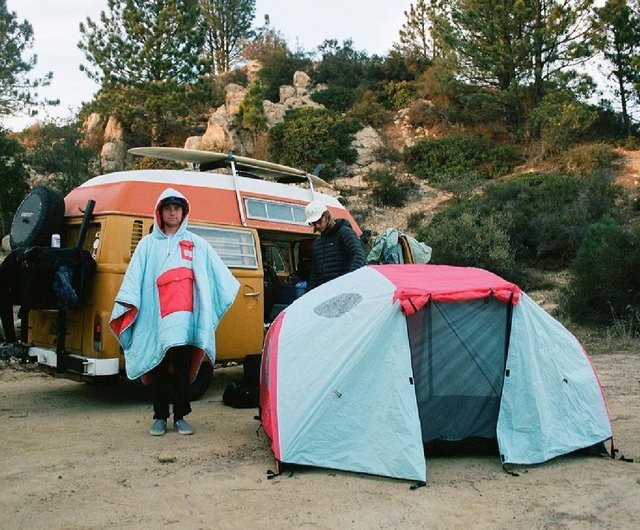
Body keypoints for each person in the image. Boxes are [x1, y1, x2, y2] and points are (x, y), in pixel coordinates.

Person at [109, 188, 239, 436]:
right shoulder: (147, 246)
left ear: (183, 212)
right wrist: (127, 305)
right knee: (157, 366)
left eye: (176, 208)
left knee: (182, 369)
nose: (172, 213)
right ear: (160, 212)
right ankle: (159, 416)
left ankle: (180, 416)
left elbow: (217, 275)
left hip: (185, 322)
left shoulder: (196, 244)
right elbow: (134, 279)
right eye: (168, 208)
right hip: (156, 321)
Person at [304, 200, 365, 289]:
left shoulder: (344, 232)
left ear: (326, 216)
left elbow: (358, 256)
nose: (317, 225)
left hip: (345, 289)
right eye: (313, 223)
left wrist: (349, 282)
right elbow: (315, 274)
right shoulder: (318, 243)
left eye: (319, 221)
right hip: (327, 292)